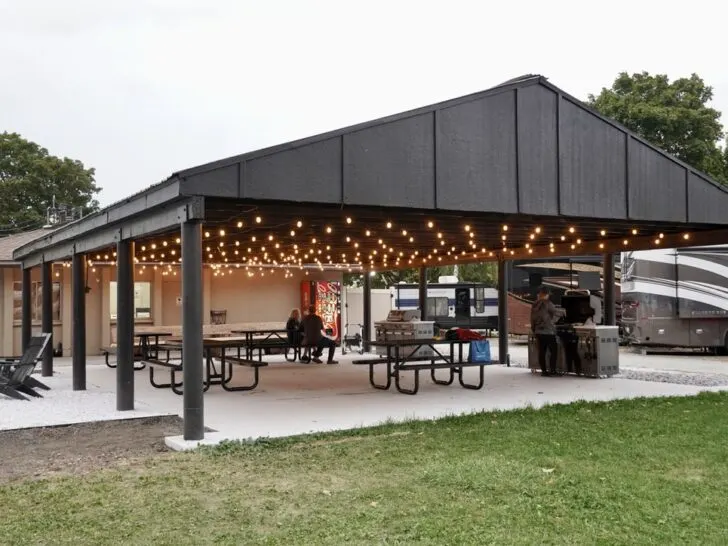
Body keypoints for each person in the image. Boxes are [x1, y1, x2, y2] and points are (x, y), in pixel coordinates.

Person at [530, 286, 564, 376]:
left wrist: (534, 329)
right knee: (554, 350)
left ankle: (544, 371)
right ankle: (552, 370)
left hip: (538, 331)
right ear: (546, 294)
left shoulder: (534, 304)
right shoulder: (547, 303)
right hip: (548, 331)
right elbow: (556, 312)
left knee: (542, 351)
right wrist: (564, 313)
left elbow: (532, 318)